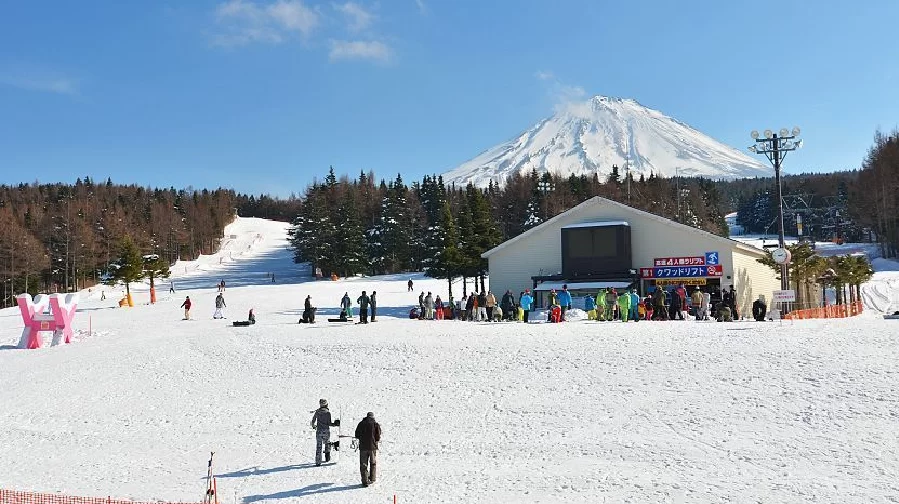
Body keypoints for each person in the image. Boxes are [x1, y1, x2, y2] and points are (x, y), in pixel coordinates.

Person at [355, 412, 381, 487]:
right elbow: (378, 436)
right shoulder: (375, 424)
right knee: (373, 463)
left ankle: (365, 481)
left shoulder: (361, 423)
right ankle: (372, 478)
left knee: (363, 464)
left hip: (363, 447)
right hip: (372, 447)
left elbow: (357, 434)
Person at [310, 399, 337, 466]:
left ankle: (318, 462)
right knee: (327, 443)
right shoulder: (328, 413)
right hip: (326, 431)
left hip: (319, 431)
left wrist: (314, 426)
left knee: (319, 446)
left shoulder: (317, 412)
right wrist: (335, 424)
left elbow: (313, 421)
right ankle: (327, 458)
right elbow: (329, 423)